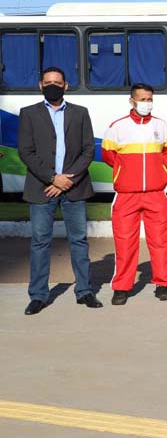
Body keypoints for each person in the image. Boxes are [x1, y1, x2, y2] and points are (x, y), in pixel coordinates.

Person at [19, 67, 100, 315]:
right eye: (48, 82)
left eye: (57, 82)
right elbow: (26, 151)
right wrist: (53, 178)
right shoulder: (29, 113)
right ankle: (39, 295)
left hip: (74, 188)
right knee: (41, 242)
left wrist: (68, 180)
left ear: (66, 86)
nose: (52, 85)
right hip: (42, 189)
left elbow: (88, 150)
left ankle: (85, 291)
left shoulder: (80, 113)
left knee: (79, 241)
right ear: (40, 85)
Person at [102, 83, 167, 305]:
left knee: (161, 242)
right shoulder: (117, 127)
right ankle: (122, 287)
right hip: (127, 194)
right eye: (142, 99)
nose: (147, 103)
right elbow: (109, 155)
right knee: (125, 243)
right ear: (131, 101)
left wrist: (158, 170)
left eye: (149, 99)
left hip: (156, 193)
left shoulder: (162, 126)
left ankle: (164, 284)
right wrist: (126, 173)